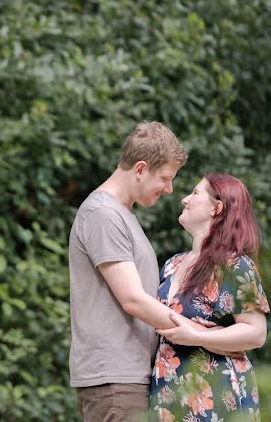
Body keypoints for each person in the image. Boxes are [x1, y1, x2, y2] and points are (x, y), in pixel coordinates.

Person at [70, 121, 199, 422]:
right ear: (140, 169)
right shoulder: (103, 214)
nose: (169, 189)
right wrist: (198, 333)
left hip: (129, 376)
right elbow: (132, 299)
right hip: (115, 379)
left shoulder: (120, 214)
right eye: (165, 178)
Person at [149, 172, 270, 422]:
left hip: (218, 396)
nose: (184, 199)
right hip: (169, 398)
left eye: (194, 193)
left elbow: (256, 333)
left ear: (217, 208)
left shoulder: (236, 265)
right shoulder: (172, 264)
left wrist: (197, 336)